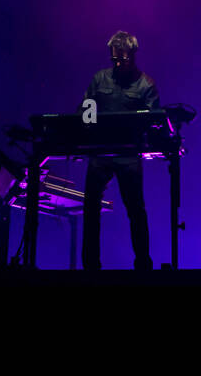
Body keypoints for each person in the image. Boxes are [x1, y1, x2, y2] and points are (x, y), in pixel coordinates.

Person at [82, 31, 159, 270]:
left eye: (122, 60)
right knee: (91, 208)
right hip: (100, 153)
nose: (117, 64)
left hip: (129, 156)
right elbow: (84, 113)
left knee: (136, 209)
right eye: (114, 60)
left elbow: (153, 123)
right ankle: (91, 267)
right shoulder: (99, 79)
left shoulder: (146, 85)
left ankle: (143, 266)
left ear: (133, 57)